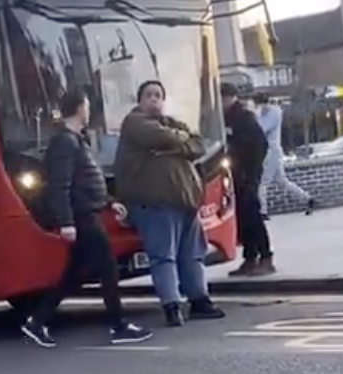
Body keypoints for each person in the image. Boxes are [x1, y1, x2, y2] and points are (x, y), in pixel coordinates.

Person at [21, 88, 152, 348]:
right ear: (80, 108)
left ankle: (36, 322)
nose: (90, 110)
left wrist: (109, 203)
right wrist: (66, 222)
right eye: (87, 106)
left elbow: (86, 181)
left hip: (87, 213)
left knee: (72, 276)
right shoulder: (65, 142)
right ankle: (118, 326)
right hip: (82, 218)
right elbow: (60, 186)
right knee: (108, 268)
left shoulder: (75, 140)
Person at [114, 80, 225, 327]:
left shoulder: (172, 124)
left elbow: (198, 144)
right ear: (140, 101)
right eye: (149, 95)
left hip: (184, 202)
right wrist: (178, 143)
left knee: (193, 254)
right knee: (163, 256)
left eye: (158, 95)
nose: (154, 99)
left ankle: (199, 300)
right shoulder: (134, 122)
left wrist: (173, 144)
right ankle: (171, 306)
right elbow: (160, 137)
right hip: (154, 203)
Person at [221, 83, 276, 276]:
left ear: (231, 97)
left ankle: (266, 256)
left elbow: (260, 144)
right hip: (235, 174)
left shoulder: (243, 118)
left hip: (246, 174)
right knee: (243, 217)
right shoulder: (223, 119)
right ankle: (250, 256)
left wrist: (252, 173)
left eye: (223, 98)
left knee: (253, 214)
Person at [253, 92, 314, 219]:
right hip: (271, 151)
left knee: (263, 182)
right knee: (282, 181)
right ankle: (307, 198)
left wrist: (256, 115)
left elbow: (262, 128)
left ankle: (263, 211)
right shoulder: (265, 113)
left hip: (272, 151)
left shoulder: (274, 113)